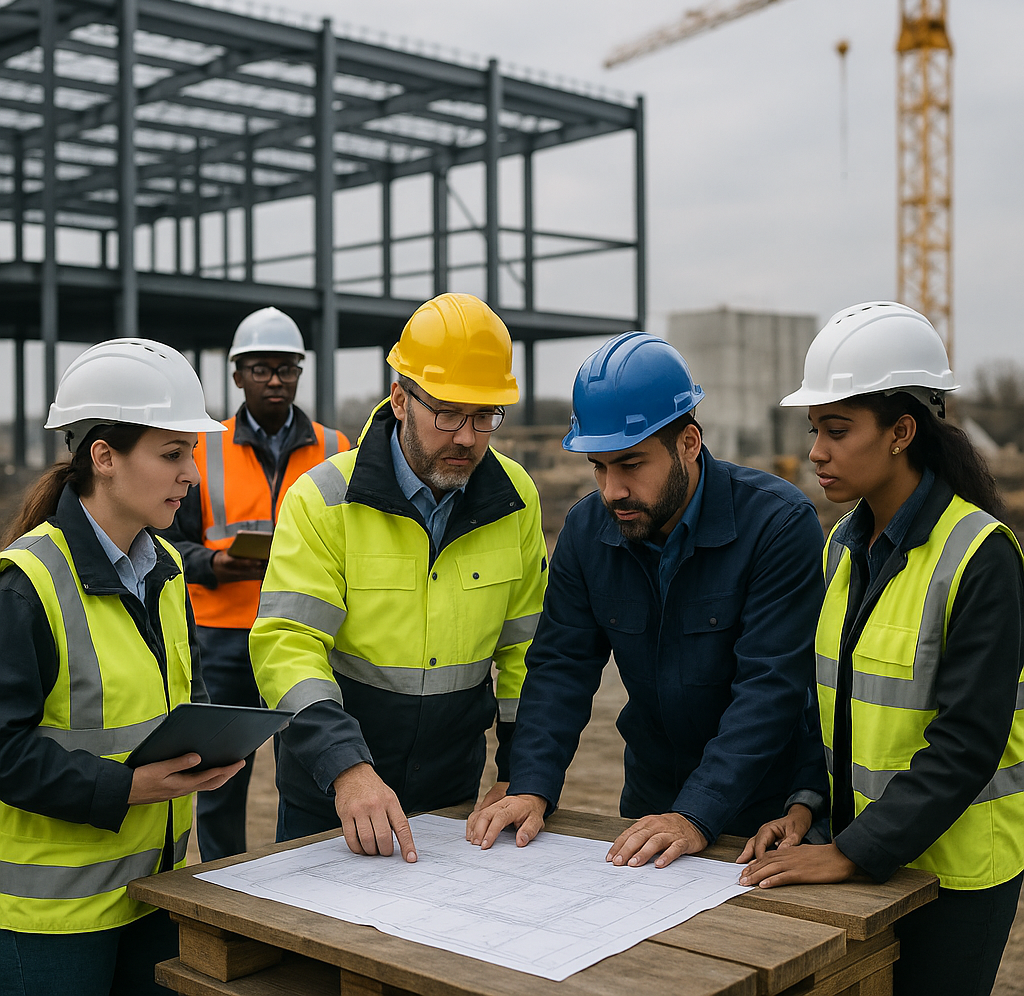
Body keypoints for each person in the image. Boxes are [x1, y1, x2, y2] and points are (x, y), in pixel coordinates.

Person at [737, 301, 1024, 996]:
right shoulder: (842, 545)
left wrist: (850, 853)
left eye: (837, 430)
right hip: (865, 859)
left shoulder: (981, 555)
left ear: (902, 432)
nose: (815, 453)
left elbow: (966, 741)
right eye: (814, 431)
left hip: (953, 876)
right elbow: (829, 700)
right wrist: (808, 803)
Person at [468, 331, 825, 868]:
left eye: (630, 465)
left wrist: (697, 814)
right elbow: (560, 667)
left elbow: (770, 689)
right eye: (599, 466)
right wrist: (531, 783)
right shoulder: (588, 531)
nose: (611, 490)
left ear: (688, 443)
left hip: (764, 812)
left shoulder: (776, 525)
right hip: (650, 803)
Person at [249, 292, 548, 862]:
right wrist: (347, 769)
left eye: (485, 416)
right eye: (449, 413)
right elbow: (287, 646)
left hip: (453, 797)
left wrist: (523, 772)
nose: (467, 437)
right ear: (400, 398)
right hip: (331, 795)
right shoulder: (323, 498)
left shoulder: (516, 499)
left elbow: (526, 650)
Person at [0, 338, 243, 996]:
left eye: (189, 453)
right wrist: (129, 788)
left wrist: (204, 750)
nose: (190, 474)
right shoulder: (25, 586)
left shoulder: (163, 571)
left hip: (155, 895)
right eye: (171, 453)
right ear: (103, 457)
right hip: (53, 926)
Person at [163, 306, 349, 861]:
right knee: (219, 779)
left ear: (299, 373)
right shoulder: (204, 446)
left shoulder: (337, 449)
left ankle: (304, 879)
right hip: (223, 636)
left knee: (315, 767)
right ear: (237, 373)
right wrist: (213, 566)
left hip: (306, 637)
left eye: (286, 368)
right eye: (261, 368)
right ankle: (224, 882)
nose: (275, 379)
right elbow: (170, 539)